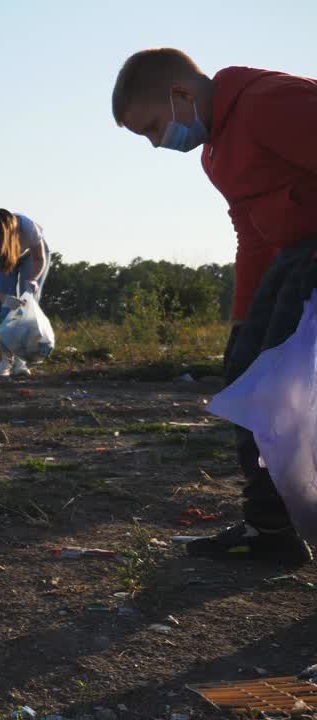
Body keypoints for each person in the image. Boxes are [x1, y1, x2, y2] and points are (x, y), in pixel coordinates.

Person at [112, 48, 317, 565]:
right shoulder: (215, 154)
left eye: (154, 127)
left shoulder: (270, 104)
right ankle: (272, 526)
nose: (159, 143)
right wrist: (242, 319)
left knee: (286, 384)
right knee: (246, 375)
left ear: (182, 94)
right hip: (296, 256)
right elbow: (253, 237)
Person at [0, 208, 51, 377]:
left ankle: (22, 362)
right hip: (2, 259)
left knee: (28, 303)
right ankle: (5, 363)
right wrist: (3, 298)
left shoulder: (28, 228)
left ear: (8, 233)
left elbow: (39, 258)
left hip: (32, 257)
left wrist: (34, 279)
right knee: (9, 307)